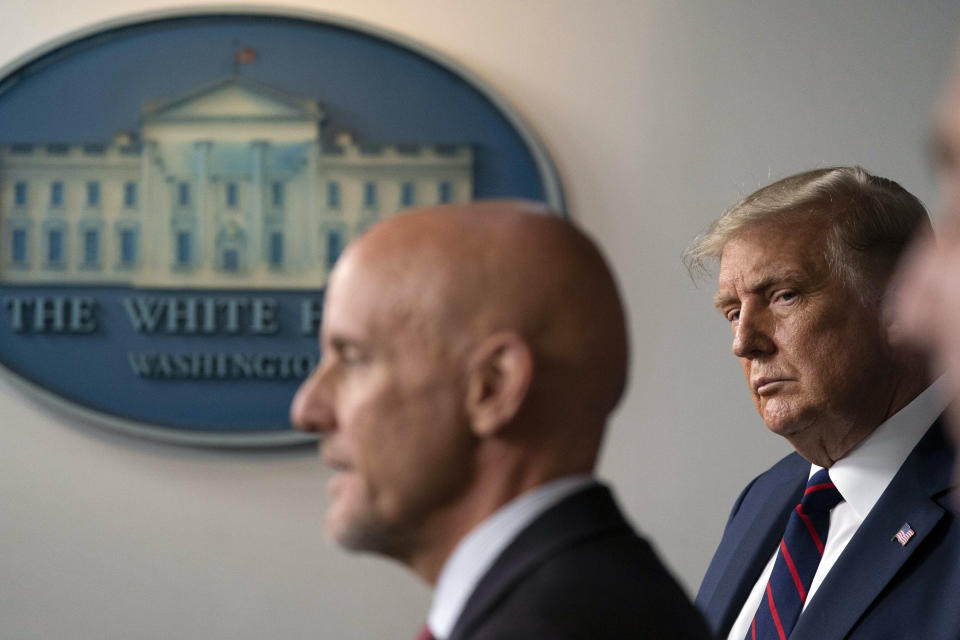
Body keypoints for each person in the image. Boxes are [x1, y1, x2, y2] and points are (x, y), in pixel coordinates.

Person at [290, 201, 710, 639]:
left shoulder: (559, 626)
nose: (305, 410)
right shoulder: (586, 601)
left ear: (492, 388)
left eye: (353, 358)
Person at [685, 167, 960, 640]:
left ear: (897, 305)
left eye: (783, 296)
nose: (743, 342)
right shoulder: (764, 498)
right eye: (733, 312)